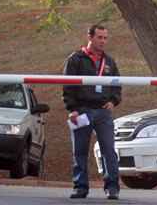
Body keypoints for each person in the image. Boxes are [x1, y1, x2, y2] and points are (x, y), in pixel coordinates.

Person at [62, 24, 122, 200]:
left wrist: (114, 101)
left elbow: (117, 84)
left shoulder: (109, 61)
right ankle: (80, 187)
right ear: (90, 37)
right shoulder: (76, 59)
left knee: (109, 151)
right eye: (99, 37)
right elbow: (68, 86)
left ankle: (112, 188)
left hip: (103, 112)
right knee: (79, 151)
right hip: (82, 110)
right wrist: (72, 109)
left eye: (105, 38)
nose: (103, 41)